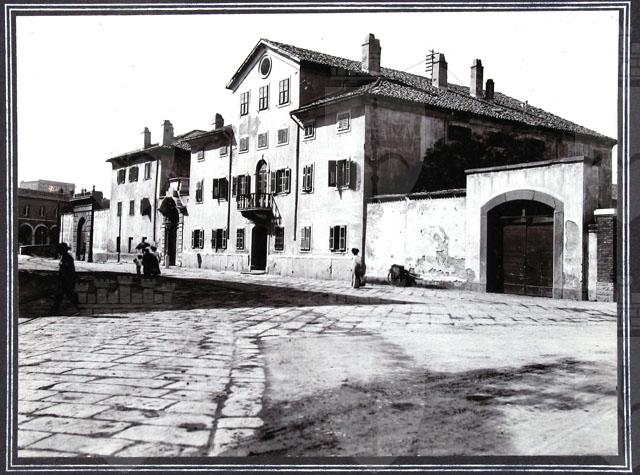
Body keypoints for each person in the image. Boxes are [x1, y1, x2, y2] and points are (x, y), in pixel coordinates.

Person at [50, 242, 80, 315]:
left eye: (60, 250)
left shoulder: (67, 258)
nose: (59, 252)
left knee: (66, 295)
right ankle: (54, 309)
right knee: (62, 295)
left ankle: (78, 309)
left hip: (67, 279)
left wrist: (66, 279)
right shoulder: (64, 257)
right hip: (64, 279)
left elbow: (68, 270)